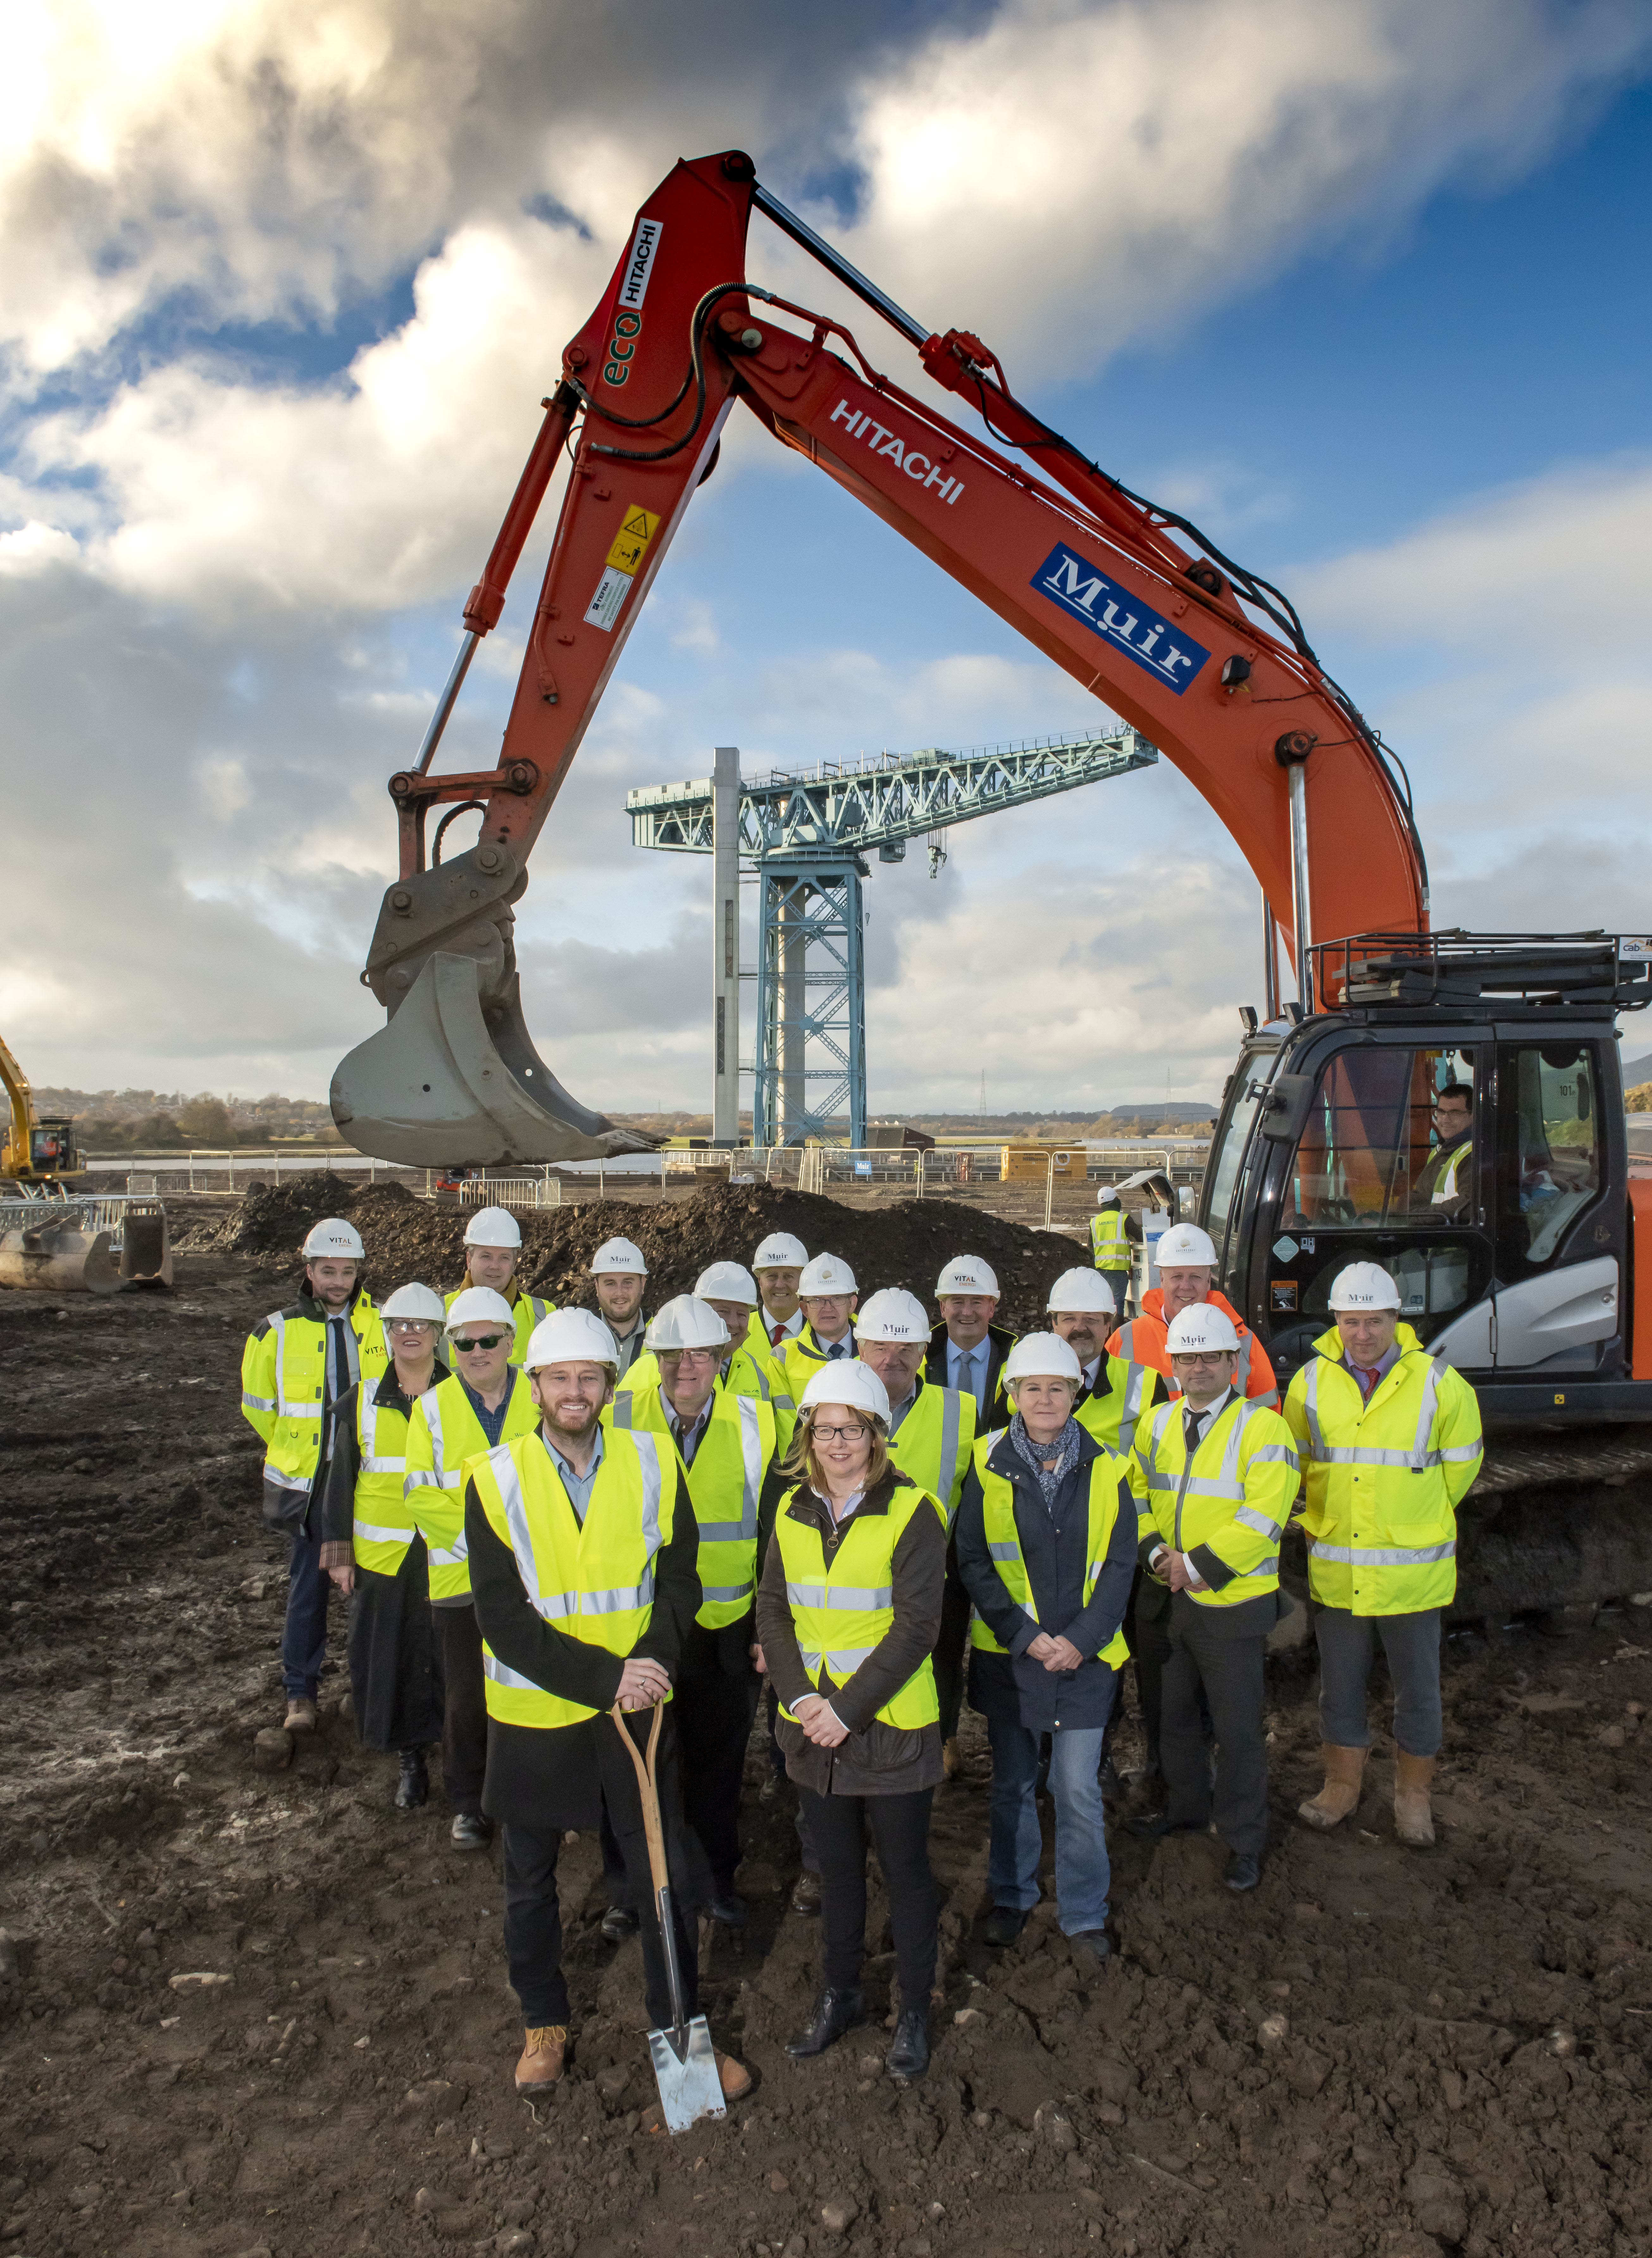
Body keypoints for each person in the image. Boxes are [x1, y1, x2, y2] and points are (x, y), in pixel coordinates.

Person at [463, 1307, 750, 2103]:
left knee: (665, 1872)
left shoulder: (654, 1460)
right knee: (530, 1879)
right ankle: (544, 2027)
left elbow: (682, 1575)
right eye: (560, 1378)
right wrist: (603, 1678)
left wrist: (654, 1658)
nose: (575, 1391)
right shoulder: (496, 1478)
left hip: (639, 1711)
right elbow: (501, 1616)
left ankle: (682, 2029)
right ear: (536, 1387)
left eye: (589, 1377)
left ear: (610, 1384)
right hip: (538, 1718)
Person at [756, 1361, 947, 2080]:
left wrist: (845, 1709)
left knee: (905, 1873)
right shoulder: (792, 1507)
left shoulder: (914, 1511)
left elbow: (918, 1626)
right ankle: (838, 1998)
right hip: (813, 1731)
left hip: (889, 1728)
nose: (838, 1443)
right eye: (825, 1428)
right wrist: (804, 1698)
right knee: (837, 1873)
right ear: (808, 1434)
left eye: (853, 1429)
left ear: (877, 1434)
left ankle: (914, 2012)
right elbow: (773, 1606)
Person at [1284, 1262, 1484, 1847]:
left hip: (1410, 1574)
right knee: (1338, 1687)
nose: (1363, 1333)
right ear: (1337, 1323)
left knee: (1417, 1690)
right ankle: (1341, 1786)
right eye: (1351, 1321)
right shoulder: (1311, 1383)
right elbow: (1295, 1463)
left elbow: (1461, 1467)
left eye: (1374, 1321)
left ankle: (1412, 1797)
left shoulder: (1438, 1383)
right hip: (1339, 1567)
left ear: (1396, 1321)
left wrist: (1412, 1517)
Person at [956, 1333, 1134, 1960]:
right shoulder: (984, 1462)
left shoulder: (1108, 1466)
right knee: (1011, 1783)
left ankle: (1085, 1913)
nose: (1044, 1398)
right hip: (1014, 1660)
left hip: (1084, 1663)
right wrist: (1026, 1637)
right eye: (1031, 1387)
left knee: (1076, 1787)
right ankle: (1011, 1895)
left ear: (1076, 1393)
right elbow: (974, 1560)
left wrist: (1080, 1642)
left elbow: (1119, 1564)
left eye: (1057, 1387)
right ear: (1011, 1395)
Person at [610, 1294, 778, 1923]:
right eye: (673, 1355)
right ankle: (633, 1892)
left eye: (702, 1354)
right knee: (641, 1761)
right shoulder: (618, 1412)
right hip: (645, 1624)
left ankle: (714, 1882)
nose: (687, 1367)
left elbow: (774, 1532)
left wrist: (769, 1622)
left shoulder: (759, 1422)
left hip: (727, 1626)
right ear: (653, 1358)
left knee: (719, 1764)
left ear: (722, 1358)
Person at [1125, 1305, 1298, 1891]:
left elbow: (1262, 1517)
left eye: (1209, 1357)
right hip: (1166, 1604)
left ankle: (1243, 1839)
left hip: (1230, 1609)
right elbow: (1137, 1495)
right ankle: (1184, 1814)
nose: (1196, 1367)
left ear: (1233, 1362)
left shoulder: (1264, 1429)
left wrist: (1193, 1565)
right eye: (1186, 1358)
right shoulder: (1155, 1425)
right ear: (1171, 1365)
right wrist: (1155, 1555)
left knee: (1238, 1730)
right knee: (1171, 1721)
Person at [404, 1286, 539, 1851]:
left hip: (538, 1580)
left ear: (511, 1341)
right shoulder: (431, 1409)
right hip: (462, 1584)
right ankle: (468, 1802)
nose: (478, 1351)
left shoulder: (539, 1400)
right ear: (450, 1346)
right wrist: (486, 1551)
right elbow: (420, 1494)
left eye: (490, 1339)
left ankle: (531, 1793)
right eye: (466, 1342)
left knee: (533, 1684)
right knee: (466, 1697)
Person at [241, 1217, 387, 1734]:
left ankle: (359, 1686)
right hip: (309, 1486)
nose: (338, 1282)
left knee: (363, 1591)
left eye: (348, 1272)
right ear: (309, 1270)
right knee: (308, 1591)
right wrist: (300, 1449)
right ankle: (299, 1693)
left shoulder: (382, 1325)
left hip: (365, 1483)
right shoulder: (275, 1331)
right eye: (329, 1271)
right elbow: (260, 1408)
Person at [318, 1282, 449, 1808]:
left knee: (444, 1656)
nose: (410, 1333)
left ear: (439, 1334)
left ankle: (453, 1745)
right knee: (389, 1658)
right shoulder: (360, 1403)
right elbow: (340, 1478)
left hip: (444, 1551)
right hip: (383, 1558)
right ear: (387, 1332)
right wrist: (339, 1554)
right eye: (400, 1325)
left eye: (421, 1325)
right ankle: (409, 1758)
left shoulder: (460, 1397)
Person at [855, 1287, 977, 1781]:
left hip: (932, 1574)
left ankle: (937, 1744)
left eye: (906, 1349)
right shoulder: (834, 1405)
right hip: (854, 1574)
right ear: (859, 1348)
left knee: (939, 1665)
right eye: (881, 1348)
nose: (893, 1359)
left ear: (925, 1352)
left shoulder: (960, 1411)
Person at [1107, 1222, 1277, 1409]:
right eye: (1177, 1277)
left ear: (1208, 1281)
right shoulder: (1126, 1340)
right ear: (1162, 1279)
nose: (1186, 1286)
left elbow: (1267, 1413)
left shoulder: (1243, 1340)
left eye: (1195, 1277)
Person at [1047, 1268, 1162, 1456]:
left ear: (1108, 1324)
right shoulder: (1022, 1378)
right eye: (1069, 1318)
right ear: (1055, 1324)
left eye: (1091, 1319)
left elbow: (1159, 1463)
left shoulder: (1147, 1384)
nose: (1080, 1328)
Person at [445, 1207, 554, 1362]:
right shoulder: (437, 1315)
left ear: (515, 1263)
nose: (495, 1266)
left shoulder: (544, 1316)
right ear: (469, 1259)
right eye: (486, 1256)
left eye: (504, 1258)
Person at [924, 1257, 1014, 1428]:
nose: (967, 1312)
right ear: (943, 1308)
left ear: (991, 1309)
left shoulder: (1016, 1363)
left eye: (977, 1302)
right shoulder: (918, 1363)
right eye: (958, 1302)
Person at [780, 1254, 860, 1392]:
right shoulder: (783, 1357)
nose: (828, 1308)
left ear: (852, 1304)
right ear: (805, 1309)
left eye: (837, 1298)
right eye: (817, 1300)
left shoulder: (877, 1352)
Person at [588, 1237, 650, 1376]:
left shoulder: (660, 1333)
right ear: (597, 1287)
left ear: (643, 1284)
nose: (620, 1293)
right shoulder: (581, 1333)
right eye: (610, 1283)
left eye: (628, 1282)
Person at [1413, 1084, 1474, 1212]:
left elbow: (1469, 1204)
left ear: (1473, 1116)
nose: (1445, 1119)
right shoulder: (1440, 1151)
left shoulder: (1474, 1153)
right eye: (1441, 1112)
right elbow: (1423, 1195)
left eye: (1455, 1113)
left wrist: (1418, 1218)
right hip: (1436, 1228)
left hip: (1453, 1230)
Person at [750, 1231, 809, 1354]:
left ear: (803, 1281)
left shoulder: (822, 1331)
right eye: (772, 1276)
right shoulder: (739, 1331)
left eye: (789, 1276)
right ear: (760, 1282)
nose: (780, 1285)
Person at [1089, 1187, 1136, 1307]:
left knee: (1103, 1304)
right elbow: (1141, 1238)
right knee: (1117, 1304)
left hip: (1100, 1271)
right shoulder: (1124, 1219)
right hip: (1118, 1271)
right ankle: (1117, 1326)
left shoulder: (1094, 1222)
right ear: (1115, 1200)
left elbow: (1090, 1247)